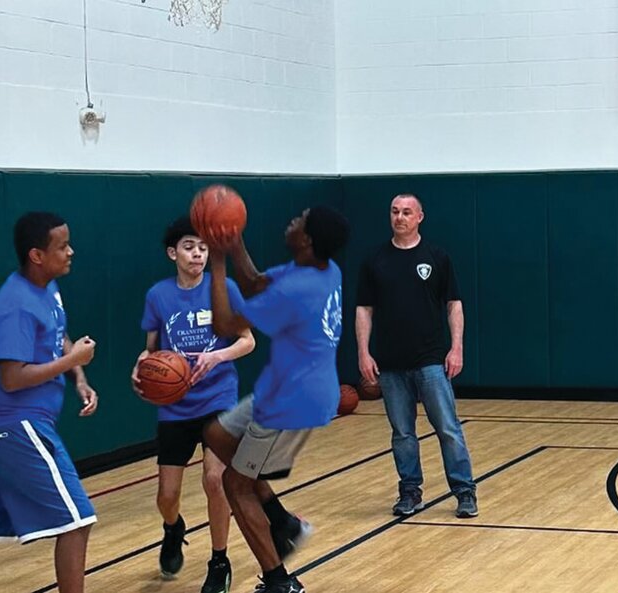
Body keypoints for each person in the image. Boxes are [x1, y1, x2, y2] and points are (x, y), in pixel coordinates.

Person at [0, 212, 99, 593]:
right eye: (62, 246)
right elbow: (12, 379)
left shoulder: (48, 289)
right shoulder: (15, 306)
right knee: (77, 520)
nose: (71, 251)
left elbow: (57, 333)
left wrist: (79, 378)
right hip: (14, 424)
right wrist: (72, 361)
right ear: (37, 255)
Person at [202, 205, 350, 593]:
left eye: (299, 220)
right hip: (286, 388)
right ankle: (283, 522)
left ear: (307, 240)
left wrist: (216, 264)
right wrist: (235, 245)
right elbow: (252, 283)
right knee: (217, 436)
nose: (292, 221)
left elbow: (226, 325)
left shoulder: (296, 288)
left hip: (292, 402)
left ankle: (279, 582)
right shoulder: (321, 269)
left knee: (235, 484)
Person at [131, 215, 255, 592]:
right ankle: (173, 527)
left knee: (215, 479)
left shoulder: (226, 289)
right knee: (167, 496)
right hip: (175, 406)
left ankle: (219, 560)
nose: (198, 254)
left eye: (203, 248)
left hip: (218, 397)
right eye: (189, 247)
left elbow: (248, 341)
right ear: (173, 253)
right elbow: (151, 351)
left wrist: (217, 357)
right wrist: (140, 367)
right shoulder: (158, 295)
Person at [355, 193, 478, 519]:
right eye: (394, 211)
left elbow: (454, 305)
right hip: (391, 364)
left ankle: (464, 491)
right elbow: (364, 310)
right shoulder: (375, 260)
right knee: (403, 434)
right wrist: (363, 352)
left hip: (431, 360)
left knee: (448, 428)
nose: (400, 217)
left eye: (407, 212)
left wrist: (457, 347)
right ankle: (410, 492)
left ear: (420, 216)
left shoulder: (437, 257)